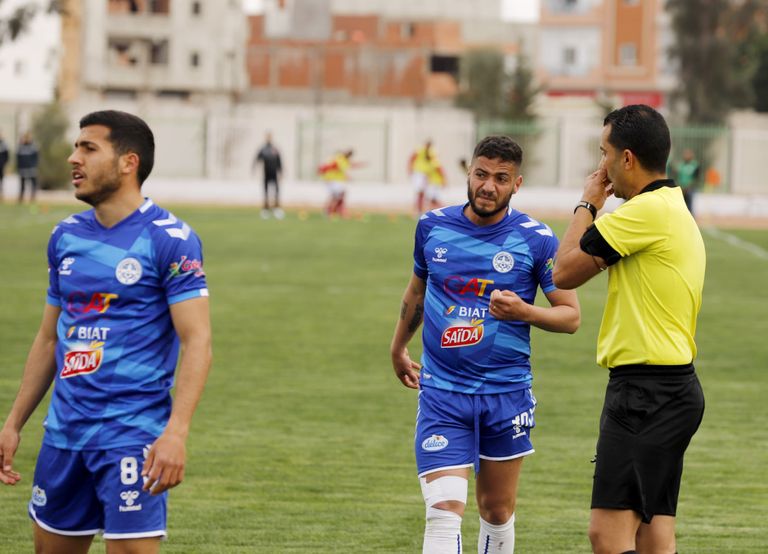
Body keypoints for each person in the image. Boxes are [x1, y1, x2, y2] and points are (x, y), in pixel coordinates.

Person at [0, 110, 213, 553]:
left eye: (88, 148)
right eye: (76, 147)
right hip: (64, 436)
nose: (74, 158)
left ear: (127, 162)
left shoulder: (169, 238)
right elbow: (48, 338)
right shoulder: (65, 236)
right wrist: (13, 423)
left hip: (132, 435)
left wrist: (176, 432)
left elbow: (198, 342)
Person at [390, 135, 580, 553]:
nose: (488, 186)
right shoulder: (432, 227)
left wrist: (524, 312)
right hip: (442, 393)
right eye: (480, 174)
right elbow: (416, 294)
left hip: (506, 395)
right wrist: (398, 346)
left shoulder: (536, 239)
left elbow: (571, 316)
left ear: (517, 184)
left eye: (500, 178)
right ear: (469, 174)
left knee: (496, 511)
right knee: (442, 511)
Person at [552, 104, 705, 554]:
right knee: (653, 535)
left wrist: (588, 202)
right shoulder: (672, 205)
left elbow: (563, 272)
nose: (600, 166)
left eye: (604, 153)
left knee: (608, 534)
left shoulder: (643, 214)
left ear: (628, 159)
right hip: (674, 389)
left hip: (644, 393)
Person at [253, 132, 284, 219]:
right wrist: (254, 169)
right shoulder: (263, 149)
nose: (269, 138)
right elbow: (257, 159)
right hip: (266, 173)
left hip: (274, 173)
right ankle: (265, 209)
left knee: (276, 192)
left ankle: (276, 208)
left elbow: (279, 161)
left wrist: (281, 172)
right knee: (266, 192)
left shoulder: (275, 149)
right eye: (267, 137)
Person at [318, 149, 354, 218]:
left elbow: (341, 169)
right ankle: (332, 210)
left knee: (335, 196)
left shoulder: (344, 160)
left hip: (335, 181)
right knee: (338, 195)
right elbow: (329, 167)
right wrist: (322, 171)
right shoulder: (339, 159)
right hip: (334, 181)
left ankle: (331, 210)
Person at [409, 140, 437, 215]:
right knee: (419, 192)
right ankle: (416, 210)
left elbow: (432, 164)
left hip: (426, 175)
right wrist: (410, 169)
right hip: (419, 173)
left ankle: (420, 210)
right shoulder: (420, 150)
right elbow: (412, 158)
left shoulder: (431, 152)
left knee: (424, 193)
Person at [675, 147, 700, 215]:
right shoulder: (681, 165)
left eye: (688, 154)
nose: (686, 156)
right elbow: (679, 177)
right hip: (682, 188)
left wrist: (689, 187)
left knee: (689, 205)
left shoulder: (695, 165)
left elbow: (696, 178)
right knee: (682, 205)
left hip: (690, 188)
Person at [16, 132, 39, 204]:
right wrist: (19, 167)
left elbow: (36, 158)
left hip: (32, 169)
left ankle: (32, 198)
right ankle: (21, 198)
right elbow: (18, 159)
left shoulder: (33, 147)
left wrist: (34, 166)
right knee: (22, 185)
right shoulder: (20, 147)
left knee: (33, 184)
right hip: (23, 169)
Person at [0, 132, 8, 202]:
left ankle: (1, 195)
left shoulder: (4, 144)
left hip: (1, 166)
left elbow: (7, 156)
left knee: (2, 181)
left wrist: (4, 164)